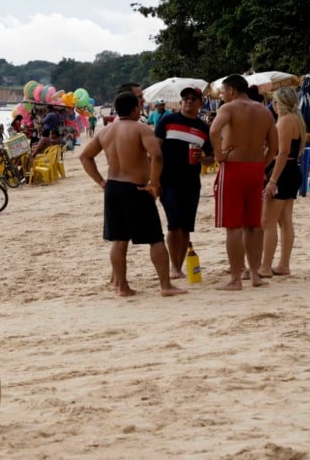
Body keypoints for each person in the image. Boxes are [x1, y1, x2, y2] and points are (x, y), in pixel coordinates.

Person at [79, 92, 185, 297]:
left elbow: (85, 157)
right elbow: (157, 155)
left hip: (113, 188)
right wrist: (154, 183)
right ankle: (165, 285)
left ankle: (123, 287)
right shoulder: (140, 128)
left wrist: (101, 181)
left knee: (119, 239)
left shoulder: (106, 131)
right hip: (136, 188)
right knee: (155, 238)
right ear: (136, 109)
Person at [209, 74, 278, 290]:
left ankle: (235, 279)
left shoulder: (229, 108)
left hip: (233, 168)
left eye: (223, 92)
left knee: (233, 227)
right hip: (255, 169)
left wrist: (219, 155)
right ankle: (255, 275)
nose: (222, 96)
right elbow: (274, 147)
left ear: (231, 90)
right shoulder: (264, 111)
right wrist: (262, 164)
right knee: (253, 226)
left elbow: (213, 131)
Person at [154, 87, 214, 278]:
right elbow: (155, 152)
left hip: (191, 183)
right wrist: (154, 180)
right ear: (181, 102)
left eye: (193, 98)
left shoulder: (204, 128)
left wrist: (201, 158)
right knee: (174, 224)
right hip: (168, 180)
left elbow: (211, 158)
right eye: (185, 98)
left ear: (200, 103)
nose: (189, 101)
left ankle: (179, 267)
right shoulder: (167, 121)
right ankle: (174, 267)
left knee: (186, 227)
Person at [259, 86, 306, 278]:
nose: (273, 105)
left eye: (274, 102)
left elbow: (283, 152)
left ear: (279, 103)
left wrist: (272, 180)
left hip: (283, 173)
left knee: (267, 221)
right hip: (292, 170)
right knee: (285, 220)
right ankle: (283, 264)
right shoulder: (297, 120)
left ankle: (265, 266)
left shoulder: (285, 121)